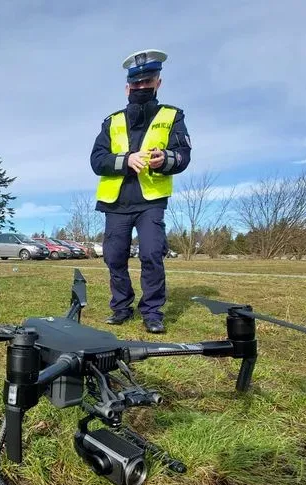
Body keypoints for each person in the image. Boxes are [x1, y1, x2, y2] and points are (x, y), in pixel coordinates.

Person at [90, 49, 191, 334]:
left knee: (151, 254)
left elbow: (183, 155)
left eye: (147, 82)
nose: (141, 87)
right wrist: (124, 161)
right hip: (116, 202)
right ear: (127, 88)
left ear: (158, 82)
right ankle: (121, 308)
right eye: (136, 84)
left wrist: (166, 160)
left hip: (150, 201)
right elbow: (97, 160)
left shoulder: (172, 116)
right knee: (114, 257)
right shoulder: (111, 121)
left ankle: (152, 312)